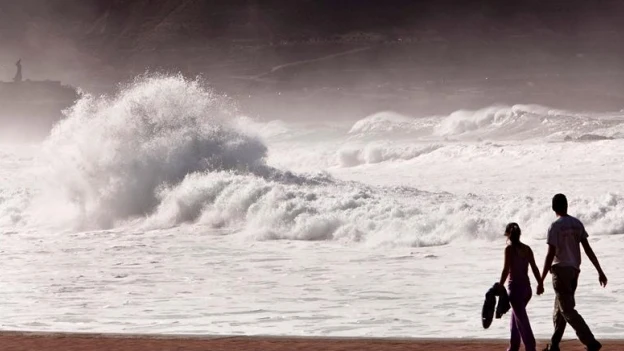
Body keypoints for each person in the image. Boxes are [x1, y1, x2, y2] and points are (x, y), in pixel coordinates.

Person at [539, 193, 607, 351]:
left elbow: (550, 254)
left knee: (567, 310)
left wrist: (541, 279)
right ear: (566, 205)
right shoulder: (577, 224)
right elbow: (588, 249)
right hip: (574, 271)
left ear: (553, 208)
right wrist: (600, 271)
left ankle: (590, 342)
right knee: (560, 309)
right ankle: (554, 344)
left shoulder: (554, 226)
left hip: (560, 271)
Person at [499, 222, 543, 351]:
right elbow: (534, 268)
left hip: (515, 290)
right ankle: (513, 346)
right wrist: (540, 283)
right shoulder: (527, 249)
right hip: (526, 289)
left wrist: (500, 286)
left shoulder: (509, 249)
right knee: (516, 317)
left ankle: (531, 347)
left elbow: (506, 269)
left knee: (522, 321)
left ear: (508, 235)